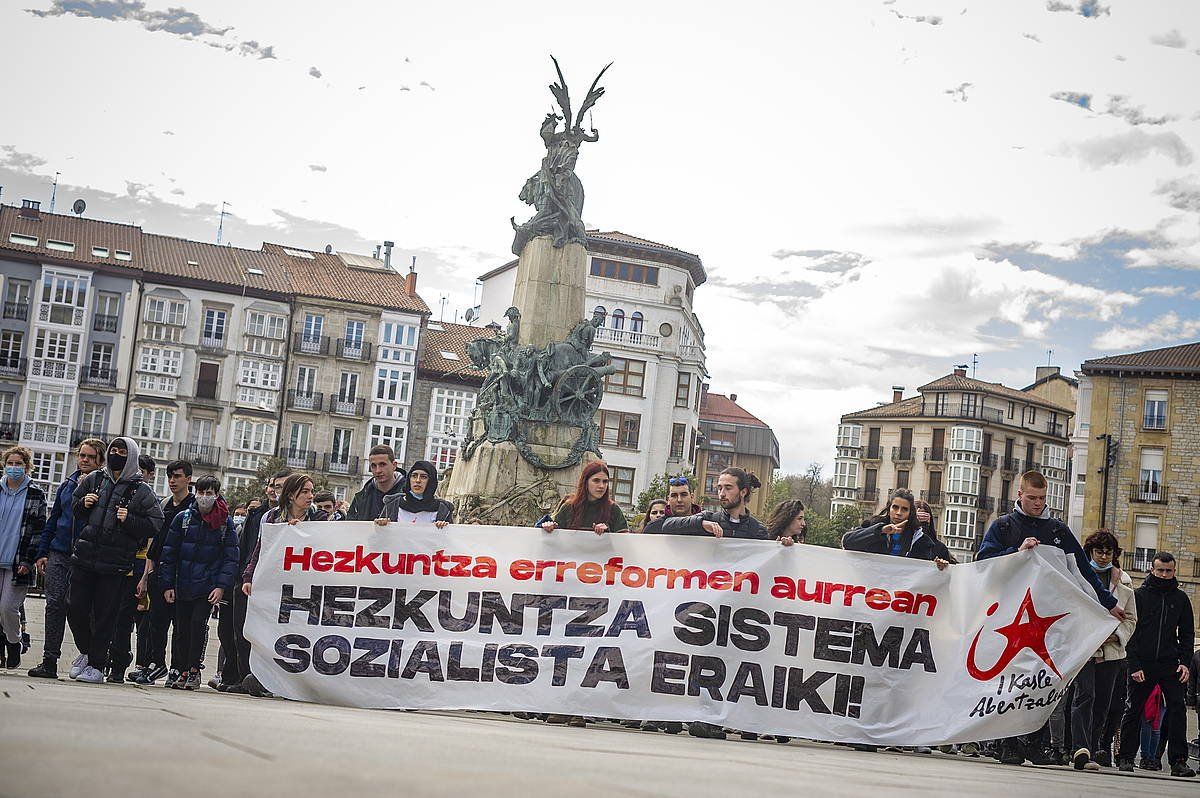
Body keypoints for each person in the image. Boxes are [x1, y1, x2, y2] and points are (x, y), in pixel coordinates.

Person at [67, 437, 164, 685]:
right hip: (86, 556)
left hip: (116, 563)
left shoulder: (141, 490)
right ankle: (87, 652)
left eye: (122, 451)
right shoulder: (95, 479)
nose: (116, 454)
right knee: (75, 607)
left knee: (105, 615)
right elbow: (75, 507)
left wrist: (129, 519)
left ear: (130, 456)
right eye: (114, 450)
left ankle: (97, 665)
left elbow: (155, 523)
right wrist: (84, 503)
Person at [1116, 551, 1196, 777]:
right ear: (1152, 570)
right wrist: (1134, 665)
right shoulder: (1139, 596)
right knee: (1133, 708)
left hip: (1170, 664)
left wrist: (1185, 663)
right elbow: (1130, 631)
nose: (1164, 575)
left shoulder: (1180, 599)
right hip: (1143, 662)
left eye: (1168, 571)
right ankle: (1126, 757)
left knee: (1177, 709)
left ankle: (1179, 761)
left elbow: (1187, 634)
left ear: (1174, 571)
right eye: (1160, 570)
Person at [29, 438, 103, 678]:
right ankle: (49, 660)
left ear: (100, 461)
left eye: (91, 457)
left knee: (84, 609)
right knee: (54, 605)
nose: (85, 460)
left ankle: (93, 657)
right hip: (59, 553)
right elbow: (53, 520)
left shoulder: (104, 488)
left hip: (87, 556)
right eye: (82, 455)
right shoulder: (66, 485)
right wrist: (42, 552)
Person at [159, 476, 239, 691]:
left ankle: (194, 669)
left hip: (207, 586)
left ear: (217, 494)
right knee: (182, 629)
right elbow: (169, 553)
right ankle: (182, 668)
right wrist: (167, 584)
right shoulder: (182, 518)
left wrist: (221, 586)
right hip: (183, 584)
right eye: (201, 492)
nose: (205, 497)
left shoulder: (224, 523)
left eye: (209, 493)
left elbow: (230, 558)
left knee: (197, 626)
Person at [1070, 530, 1136, 771]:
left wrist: (1115, 635)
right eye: (1099, 551)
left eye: (1108, 552)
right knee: (1084, 694)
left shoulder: (1125, 582)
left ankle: (1094, 746)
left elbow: (1131, 619)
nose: (1104, 556)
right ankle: (1080, 748)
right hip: (1084, 646)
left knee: (1103, 703)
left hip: (1111, 650)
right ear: (1090, 551)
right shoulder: (1078, 577)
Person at [218, 469, 289, 694]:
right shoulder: (262, 515)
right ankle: (241, 676)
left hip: (278, 585)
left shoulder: (312, 518)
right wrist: (243, 576)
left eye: (280, 486)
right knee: (239, 632)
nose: (275, 490)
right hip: (251, 579)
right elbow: (251, 548)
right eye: (273, 486)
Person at [134, 459, 193, 686]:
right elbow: (154, 544)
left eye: (177, 476)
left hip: (182, 574)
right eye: (170, 476)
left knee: (180, 625)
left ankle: (179, 667)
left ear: (188, 478)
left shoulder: (193, 507)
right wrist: (145, 576)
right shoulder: (165, 505)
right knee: (155, 623)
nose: (173, 481)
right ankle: (155, 663)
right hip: (159, 571)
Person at [0, 446, 46, 670]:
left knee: (8, 607)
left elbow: (38, 530)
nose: (14, 467)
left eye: (19, 464)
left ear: (27, 467)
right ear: (4, 464)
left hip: (18, 561)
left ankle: (14, 642)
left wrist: (29, 561)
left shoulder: (35, 493)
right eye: (11, 463)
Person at [842, 488, 951, 567]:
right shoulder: (872, 525)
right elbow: (847, 542)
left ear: (910, 512)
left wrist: (939, 567)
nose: (899, 513)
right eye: (895, 507)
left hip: (900, 596)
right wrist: (880, 531)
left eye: (904, 509)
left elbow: (923, 573)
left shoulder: (922, 541)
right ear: (889, 508)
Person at [653, 467, 768, 542]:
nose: (722, 494)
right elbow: (668, 525)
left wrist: (783, 547)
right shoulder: (709, 518)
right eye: (719, 488)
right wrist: (701, 523)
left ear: (743, 492)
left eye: (728, 488)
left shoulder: (759, 530)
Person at [540, 461, 629, 537]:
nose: (602, 486)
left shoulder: (613, 509)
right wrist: (549, 527)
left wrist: (607, 534)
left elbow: (624, 543)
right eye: (596, 481)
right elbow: (554, 538)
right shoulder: (568, 507)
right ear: (585, 482)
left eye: (605, 481)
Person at [378, 460, 454, 526]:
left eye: (423, 477)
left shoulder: (442, 509)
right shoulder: (393, 505)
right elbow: (377, 539)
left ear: (431, 481)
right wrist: (381, 526)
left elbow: (450, 540)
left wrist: (444, 530)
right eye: (414, 476)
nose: (417, 480)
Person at [346, 445, 405, 521]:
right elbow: (351, 527)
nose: (378, 470)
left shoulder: (408, 495)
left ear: (394, 465)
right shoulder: (361, 497)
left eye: (382, 464)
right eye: (373, 466)